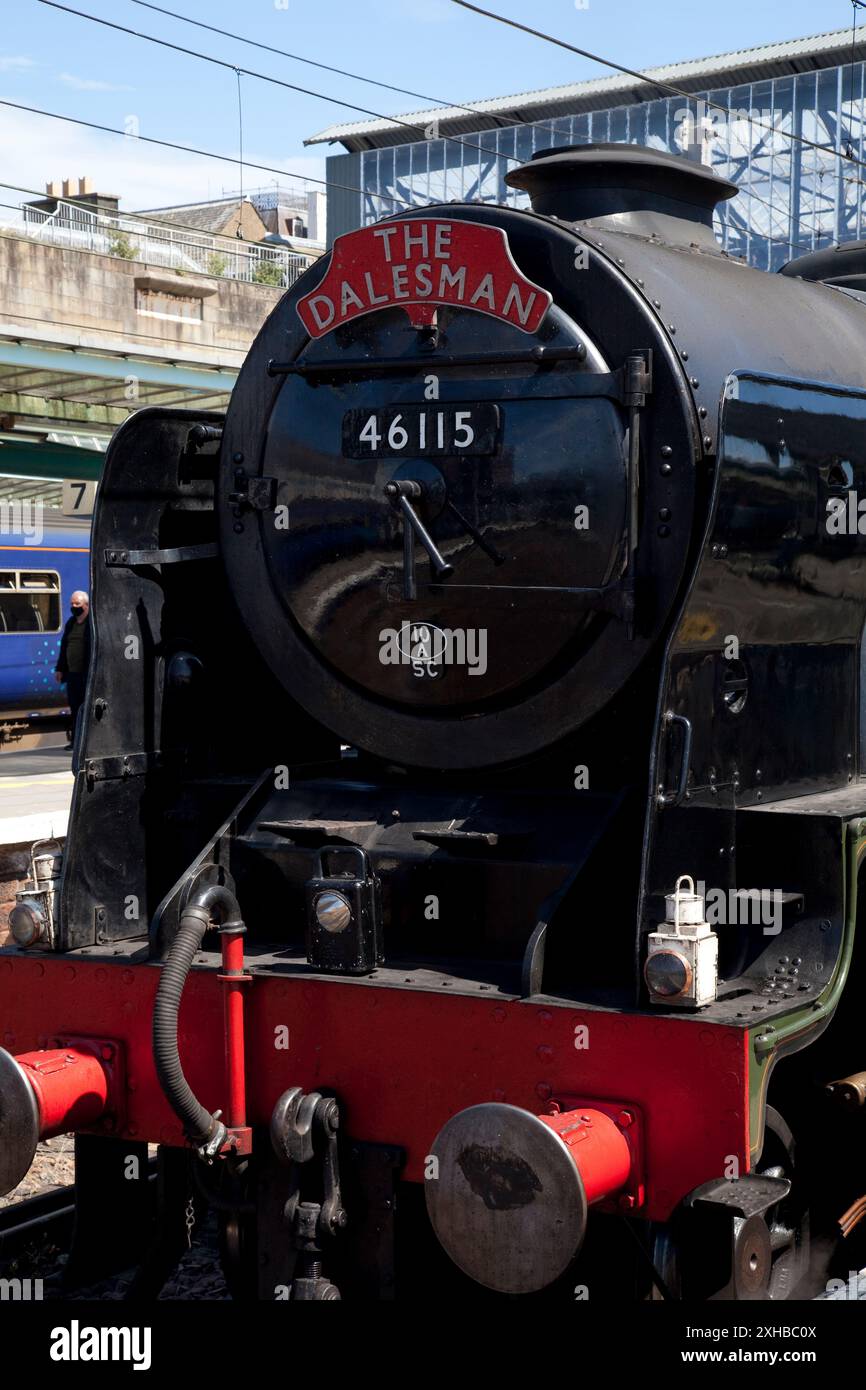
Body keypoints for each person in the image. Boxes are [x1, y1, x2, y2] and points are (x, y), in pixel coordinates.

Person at [55, 590, 91, 750]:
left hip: (87, 674)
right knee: (75, 708)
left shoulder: (92, 623)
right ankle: (76, 742)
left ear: (86, 605)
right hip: (73, 675)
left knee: (86, 707)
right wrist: (60, 669)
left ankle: (88, 743)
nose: (74, 606)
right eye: (72, 604)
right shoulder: (71, 623)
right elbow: (64, 647)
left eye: (77, 604)